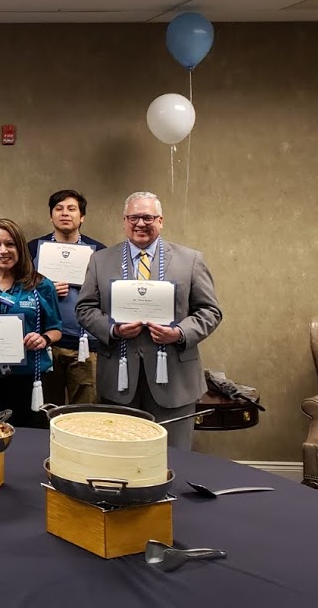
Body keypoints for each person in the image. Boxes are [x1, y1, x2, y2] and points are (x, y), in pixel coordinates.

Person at [76, 192, 223, 449]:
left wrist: (179, 333)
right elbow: (85, 308)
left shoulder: (190, 260)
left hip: (175, 378)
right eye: (134, 217)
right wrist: (113, 329)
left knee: (173, 456)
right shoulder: (100, 260)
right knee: (122, 454)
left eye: (147, 217)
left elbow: (210, 311)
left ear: (161, 220)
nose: (140, 223)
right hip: (119, 379)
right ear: (124, 221)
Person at [0, 218, 61, 429]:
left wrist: (43, 339)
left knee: (28, 435)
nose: (3, 250)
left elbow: (55, 329)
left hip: (29, 377)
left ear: (20, 246)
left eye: (10, 244)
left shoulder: (41, 284)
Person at [27, 190, 105, 405]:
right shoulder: (33, 249)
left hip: (85, 345)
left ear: (82, 217)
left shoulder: (99, 252)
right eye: (58, 209)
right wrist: (46, 288)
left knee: (85, 411)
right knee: (46, 410)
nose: (65, 213)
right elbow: (19, 290)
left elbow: (108, 297)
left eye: (72, 209)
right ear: (51, 215)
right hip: (45, 342)